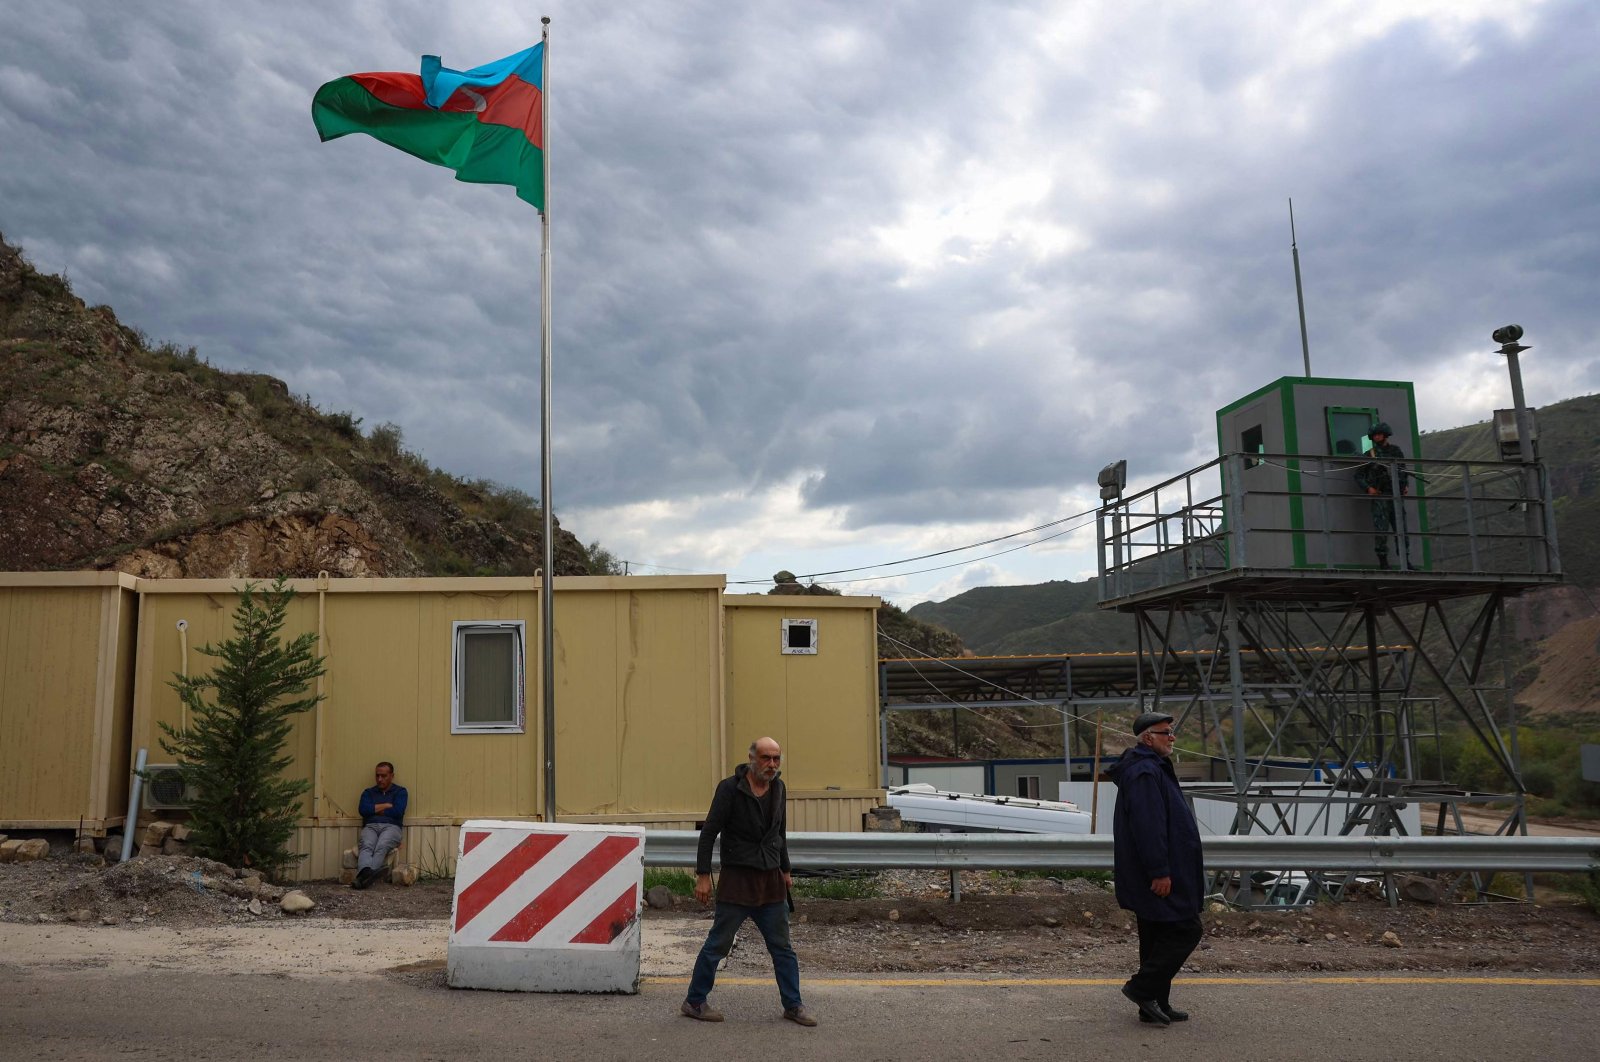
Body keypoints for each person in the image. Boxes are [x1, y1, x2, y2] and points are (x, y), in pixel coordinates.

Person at [680, 736, 816, 1027]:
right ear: (752, 758)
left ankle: (793, 1005)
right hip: (737, 881)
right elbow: (709, 832)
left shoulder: (778, 787)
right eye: (766, 758)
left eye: (776, 758)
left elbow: (780, 833)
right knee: (718, 944)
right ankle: (694, 1001)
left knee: (783, 947)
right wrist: (703, 875)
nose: (771, 764)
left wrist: (786, 869)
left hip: (770, 881)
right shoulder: (730, 788)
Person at [1105, 712, 1204, 1027]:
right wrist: (1159, 871)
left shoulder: (1151, 768)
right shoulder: (1146, 772)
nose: (1172, 738)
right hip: (1159, 874)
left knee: (1156, 935)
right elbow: (1149, 827)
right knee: (1187, 929)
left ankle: (1154, 1003)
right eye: (1166, 733)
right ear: (1148, 738)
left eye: (1171, 732)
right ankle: (1142, 989)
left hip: (1155, 871)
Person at [1353, 421, 1411, 569]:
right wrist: (1368, 489)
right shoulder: (1370, 454)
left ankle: (1406, 561)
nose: (1377, 437)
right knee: (1381, 530)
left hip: (1395, 496)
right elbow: (1359, 475)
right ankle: (1383, 562)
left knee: (1401, 529)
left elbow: (1403, 470)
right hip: (1380, 496)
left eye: (1380, 434)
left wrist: (1405, 486)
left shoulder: (1396, 451)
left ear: (1385, 435)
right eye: (1375, 435)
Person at [352, 761, 407, 889]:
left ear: (392, 776)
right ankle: (367, 877)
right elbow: (363, 810)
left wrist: (374, 809)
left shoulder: (400, 792)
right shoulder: (368, 792)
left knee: (381, 846)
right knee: (366, 845)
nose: (379, 779)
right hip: (371, 826)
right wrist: (387, 806)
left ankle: (362, 878)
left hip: (392, 827)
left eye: (383, 776)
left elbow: (398, 811)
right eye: (377, 776)